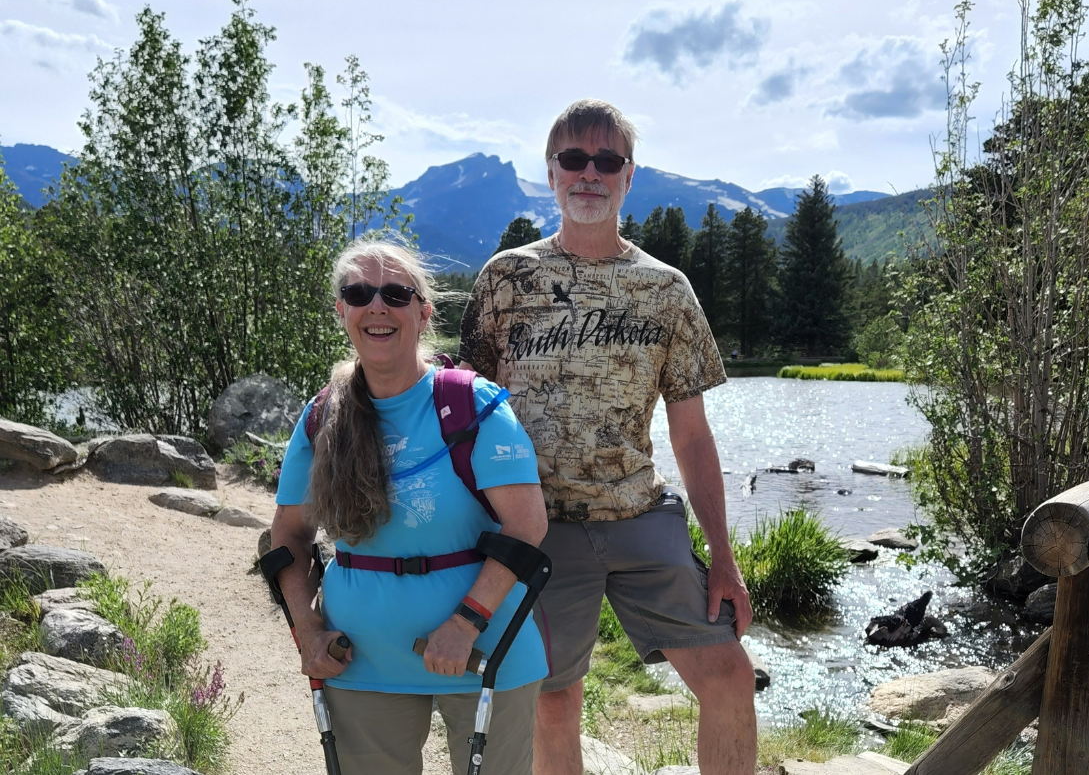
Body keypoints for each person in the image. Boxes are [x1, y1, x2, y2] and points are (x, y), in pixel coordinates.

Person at [459, 99, 756, 775]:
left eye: (606, 161)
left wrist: (725, 559)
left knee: (730, 676)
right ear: (552, 173)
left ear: (628, 177)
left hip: (640, 519)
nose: (588, 173)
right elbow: (463, 412)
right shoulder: (506, 278)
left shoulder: (666, 289)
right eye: (574, 159)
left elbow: (692, 435)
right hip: (538, 529)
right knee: (554, 702)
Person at [271, 237, 549, 775]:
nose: (378, 306)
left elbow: (526, 526)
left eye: (396, 293)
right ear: (342, 311)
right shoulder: (321, 416)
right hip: (359, 657)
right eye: (359, 292)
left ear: (424, 314)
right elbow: (288, 538)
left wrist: (465, 624)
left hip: (486, 652)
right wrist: (308, 634)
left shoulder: (474, 405)